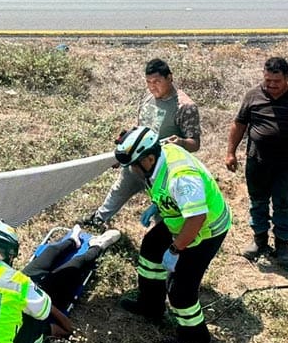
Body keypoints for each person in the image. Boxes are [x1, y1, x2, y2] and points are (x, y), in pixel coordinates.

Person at [115, 126, 231, 343]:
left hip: (205, 231)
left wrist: (176, 249)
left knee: (180, 292)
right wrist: (157, 204)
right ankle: (151, 305)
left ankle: (196, 339)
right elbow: (166, 190)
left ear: (148, 158)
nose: (132, 172)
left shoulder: (181, 177)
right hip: (180, 218)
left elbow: (197, 218)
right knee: (150, 247)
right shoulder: (156, 159)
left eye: (133, 166)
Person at [225, 57, 288, 268]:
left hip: (287, 165)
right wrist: (230, 152)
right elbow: (239, 124)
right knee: (257, 202)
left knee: (283, 205)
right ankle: (259, 240)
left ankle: (282, 245)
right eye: (267, 80)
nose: (271, 85)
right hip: (257, 162)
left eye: (276, 81)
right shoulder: (253, 95)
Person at [81, 58, 201, 228]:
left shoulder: (185, 107)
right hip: (138, 162)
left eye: (157, 81)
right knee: (118, 191)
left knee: (163, 211)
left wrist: (181, 142)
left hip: (163, 170)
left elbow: (195, 143)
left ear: (170, 78)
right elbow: (140, 127)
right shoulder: (147, 97)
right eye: (149, 82)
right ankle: (98, 219)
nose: (153, 87)